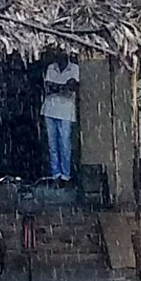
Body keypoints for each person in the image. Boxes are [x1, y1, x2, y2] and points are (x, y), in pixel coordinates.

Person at [41, 52, 80, 185]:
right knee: (52, 144)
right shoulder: (51, 68)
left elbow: (73, 87)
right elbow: (48, 87)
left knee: (65, 144)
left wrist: (57, 86)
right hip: (49, 110)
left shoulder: (74, 68)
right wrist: (63, 87)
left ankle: (65, 175)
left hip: (66, 111)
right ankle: (55, 174)